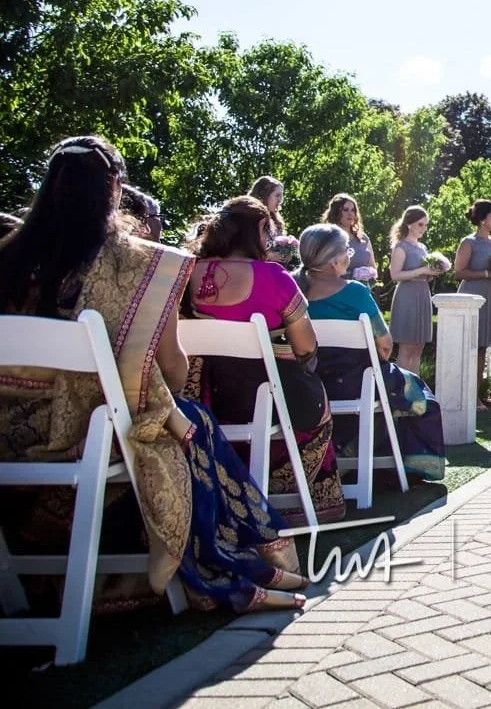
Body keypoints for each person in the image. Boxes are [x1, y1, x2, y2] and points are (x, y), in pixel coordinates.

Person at [0, 137, 308, 612]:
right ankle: (241, 561)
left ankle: (255, 559)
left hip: (8, 445)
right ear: (114, 189)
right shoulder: (145, 266)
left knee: (185, 422)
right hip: (90, 442)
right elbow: (172, 368)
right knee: (190, 423)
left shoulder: (8, 257)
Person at [185, 196, 347, 524]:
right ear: (260, 228)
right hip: (259, 399)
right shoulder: (272, 277)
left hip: (194, 404)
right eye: (268, 233)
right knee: (307, 389)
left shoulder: (182, 272)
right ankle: (298, 503)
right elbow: (305, 347)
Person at [298, 224, 445, 482]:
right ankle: (409, 468)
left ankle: (342, 457)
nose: (349, 256)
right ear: (334, 261)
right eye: (347, 251)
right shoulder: (354, 291)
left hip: (308, 387)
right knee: (420, 397)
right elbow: (385, 343)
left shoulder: (292, 290)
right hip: (358, 384)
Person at [455, 200, 491, 407]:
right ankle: (462, 395)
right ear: (481, 219)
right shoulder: (468, 243)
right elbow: (459, 272)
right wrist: (487, 273)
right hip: (472, 295)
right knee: (469, 347)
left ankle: (475, 396)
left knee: (482, 348)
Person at [388, 205, 440, 375]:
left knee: (419, 345)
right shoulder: (401, 246)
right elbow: (395, 275)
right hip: (407, 296)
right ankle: (401, 392)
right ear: (409, 224)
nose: (424, 228)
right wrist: (422, 271)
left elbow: (422, 272)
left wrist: (431, 273)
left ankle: (415, 392)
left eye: (426, 225)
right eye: (420, 224)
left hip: (422, 293)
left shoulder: (422, 248)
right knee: (407, 346)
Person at [322, 193, 374, 280]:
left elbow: (373, 269)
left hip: (362, 290)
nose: (350, 214)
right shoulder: (328, 238)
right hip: (336, 289)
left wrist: (369, 275)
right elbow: (323, 271)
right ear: (335, 212)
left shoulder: (363, 238)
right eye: (345, 210)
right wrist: (352, 275)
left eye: (353, 210)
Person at [250, 176, 294, 269]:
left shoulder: (276, 220)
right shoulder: (250, 219)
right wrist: (268, 256)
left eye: (281, 196)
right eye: (277, 195)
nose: (280, 200)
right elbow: (243, 252)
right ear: (264, 196)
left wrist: (286, 253)